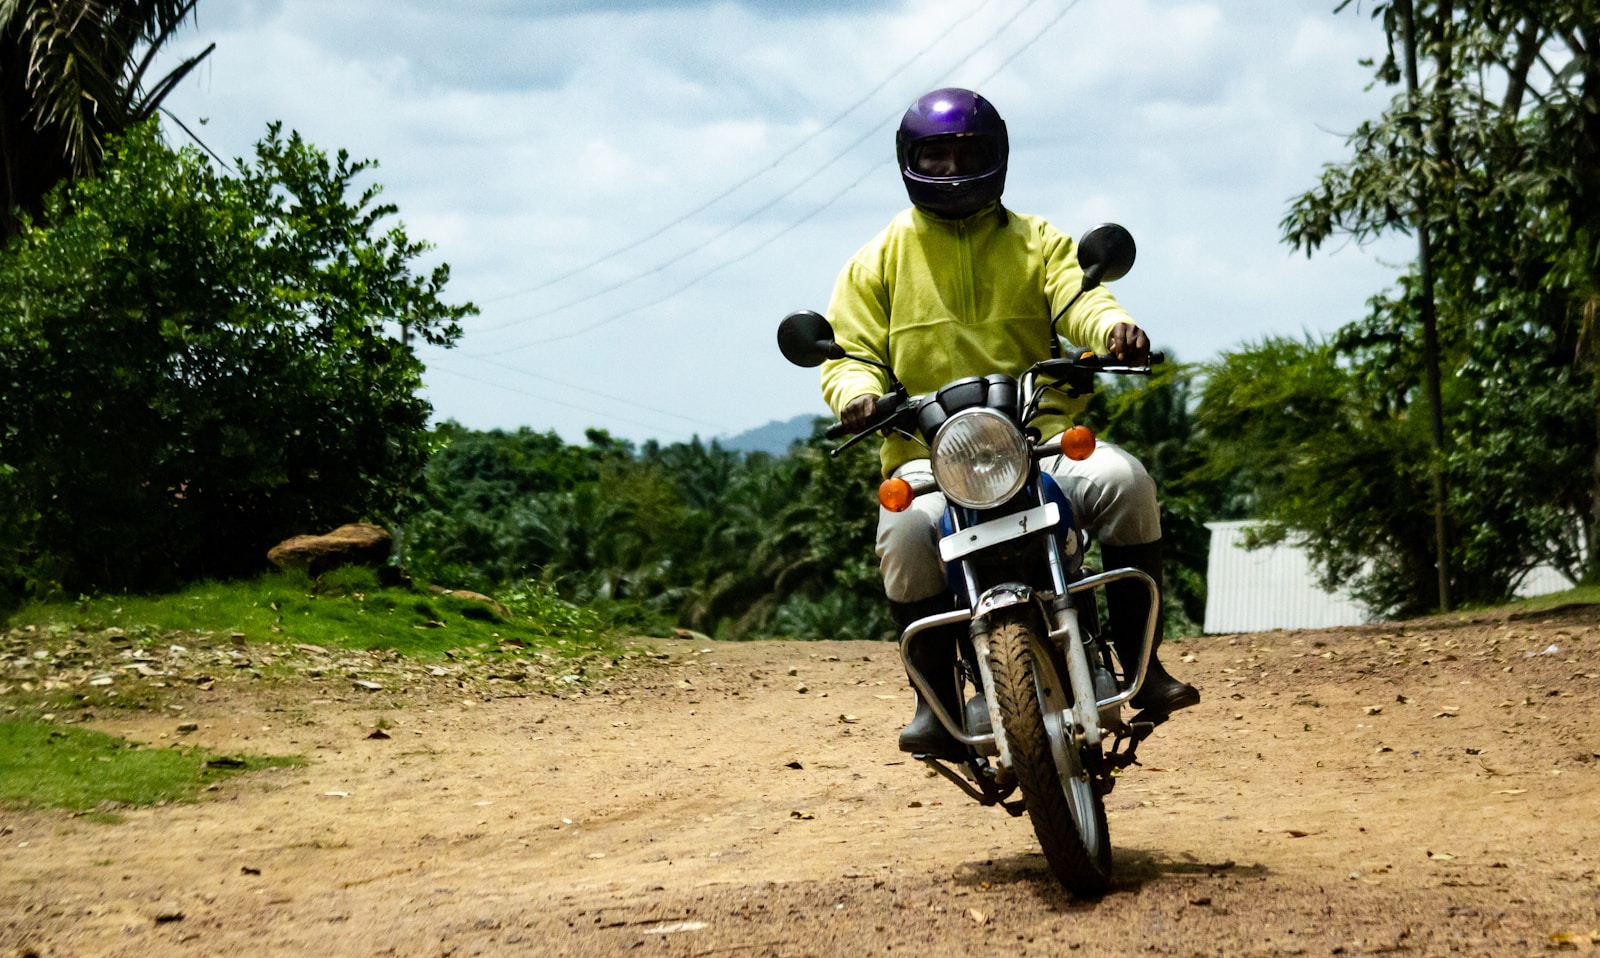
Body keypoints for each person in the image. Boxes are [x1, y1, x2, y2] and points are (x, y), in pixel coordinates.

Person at [818, 87, 1198, 759]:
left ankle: (1145, 665)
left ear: (998, 158)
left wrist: (1112, 330)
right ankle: (932, 704)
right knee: (903, 531)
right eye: (934, 156)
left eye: (968, 153)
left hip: (1041, 440)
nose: (951, 169)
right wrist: (858, 395)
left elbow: (1082, 298)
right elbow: (850, 355)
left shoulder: (1038, 242)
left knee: (1127, 481)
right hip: (929, 455)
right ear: (909, 162)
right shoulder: (874, 262)